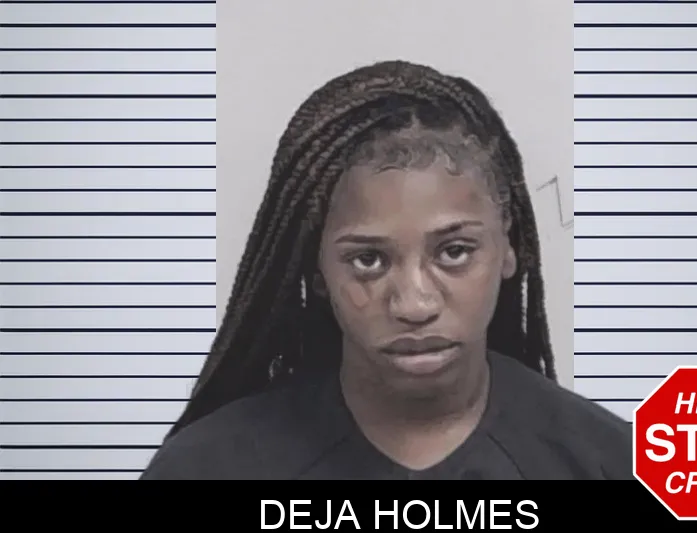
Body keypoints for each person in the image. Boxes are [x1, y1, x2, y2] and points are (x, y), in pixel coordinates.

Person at [140, 60, 632, 480]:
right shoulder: (207, 468)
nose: (414, 305)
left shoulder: (609, 464)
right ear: (317, 269)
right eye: (368, 260)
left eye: (454, 251)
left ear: (509, 246)